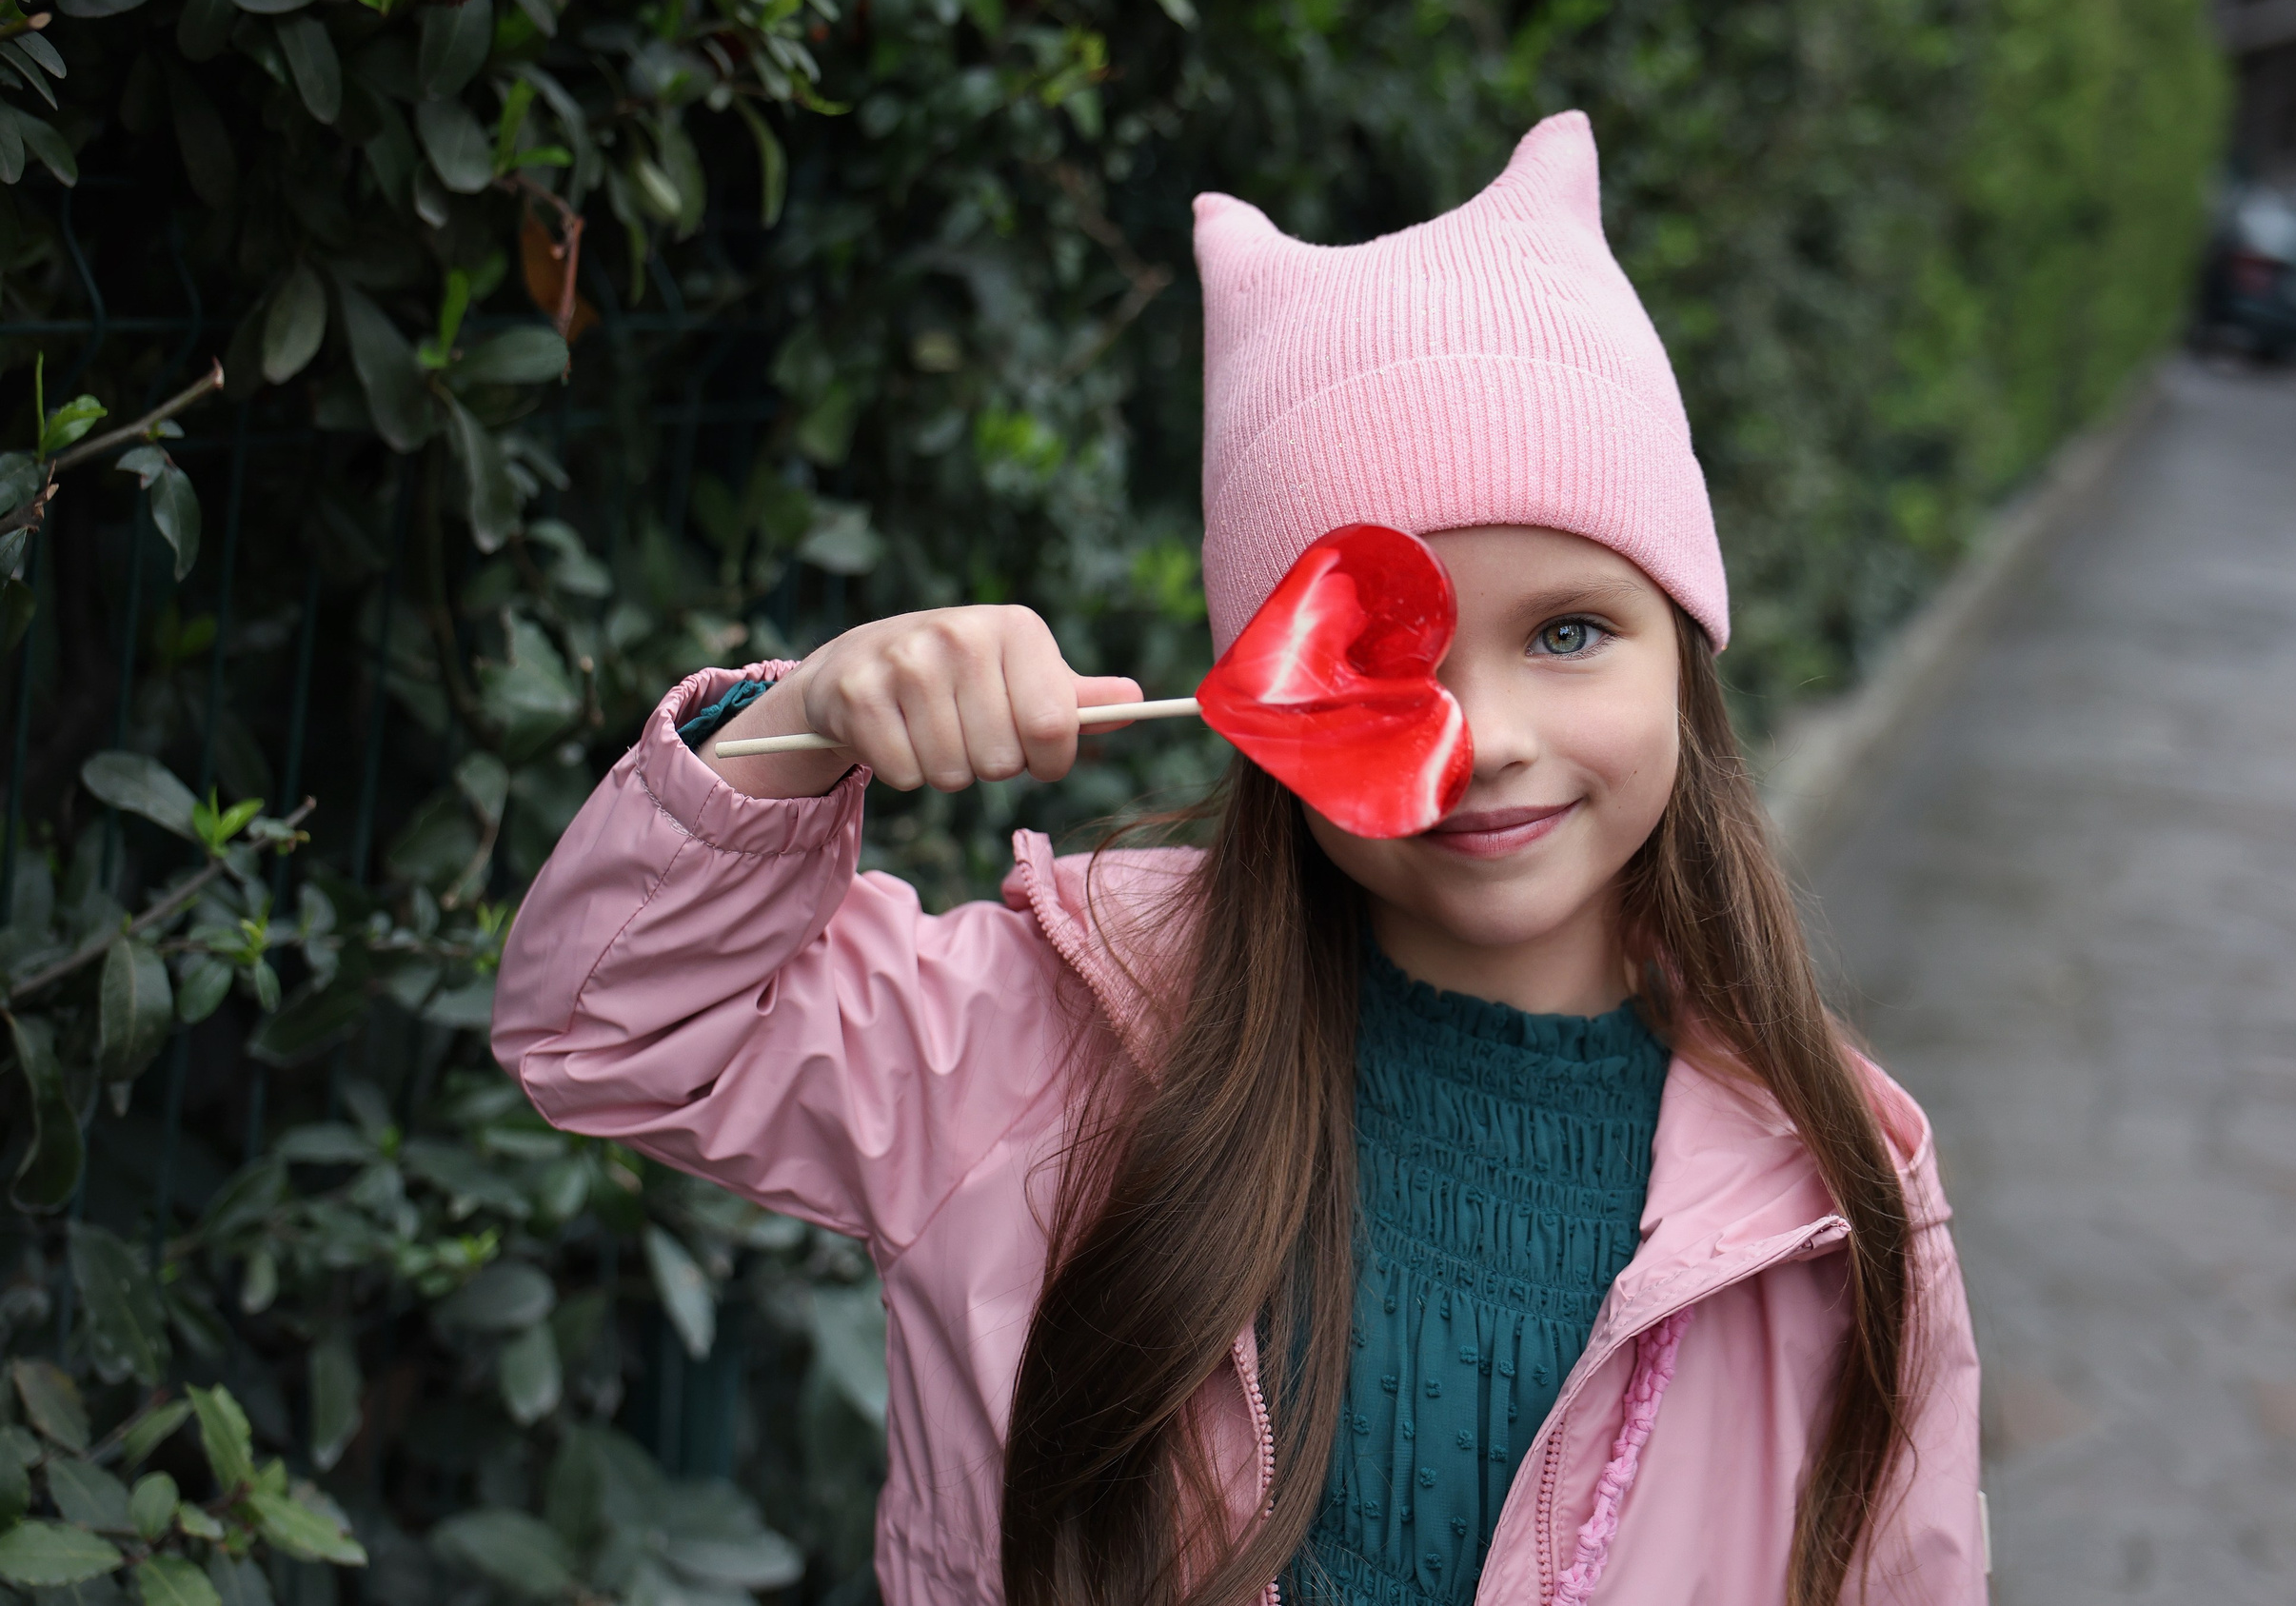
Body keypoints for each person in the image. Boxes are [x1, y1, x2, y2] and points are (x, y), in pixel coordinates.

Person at [492, 111, 1985, 1606]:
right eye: (1379, 657)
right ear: (1269, 702)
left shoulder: (1830, 1198)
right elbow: (610, 1030)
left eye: (1572, 631)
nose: (1485, 736)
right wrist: (801, 724)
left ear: (1686, 660)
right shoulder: (1044, 1052)